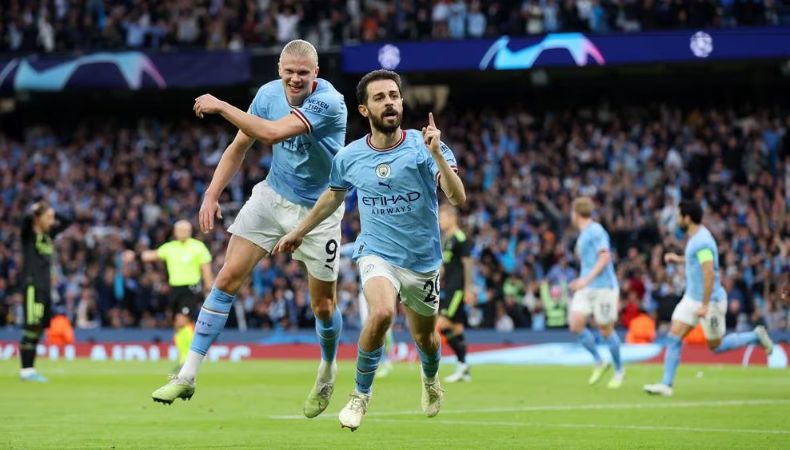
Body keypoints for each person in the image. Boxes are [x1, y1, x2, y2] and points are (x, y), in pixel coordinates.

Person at [151, 39, 348, 420]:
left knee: (323, 305)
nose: (295, 79)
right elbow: (240, 145)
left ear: (316, 74)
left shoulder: (329, 102)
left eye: (303, 73)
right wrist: (211, 194)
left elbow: (272, 134)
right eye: (288, 71)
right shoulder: (268, 94)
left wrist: (223, 106)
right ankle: (187, 375)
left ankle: (327, 368)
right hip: (272, 196)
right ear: (279, 70)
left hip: (320, 209)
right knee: (226, 278)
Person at [273, 69, 466, 431]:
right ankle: (360, 395)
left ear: (402, 102)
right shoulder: (349, 157)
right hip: (377, 253)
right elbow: (332, 196)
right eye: (379, 98)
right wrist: (299, 231)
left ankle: (430, 379)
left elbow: (457, 197)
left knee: (426, 338)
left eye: (393, 95)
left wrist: (437, 155)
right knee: (380, 313)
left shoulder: (425, 146)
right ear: (364, 110)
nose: (389, 102)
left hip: (422, 262)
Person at [644, 200, 774, 397]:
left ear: (687, 218)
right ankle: (666, 384)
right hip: (691, 298)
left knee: (716, 346)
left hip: (710, 301)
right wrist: (678, 259)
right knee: (674, 336)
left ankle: (755, 336)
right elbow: (697, 260)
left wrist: (705, 305)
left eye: (679, 216)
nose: (677, 220)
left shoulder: (702, 241)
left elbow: (709, 273)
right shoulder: (695, 238)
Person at [129, 220, 213, 370]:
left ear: (190, 231)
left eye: (185, 230)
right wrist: (134, 255)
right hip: (174, 290)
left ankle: (190, 358)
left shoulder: (197, 247)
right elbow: (151, 255)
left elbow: (206, 269)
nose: (182, 232)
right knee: (177, 325)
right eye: (179, 230)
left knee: (182, 321)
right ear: (175, 232)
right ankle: (185, 357)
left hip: (190, 289)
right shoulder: (170, 247)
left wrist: (209, 288)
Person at [568, 196, 624, 388]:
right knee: (575, 323)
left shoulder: (596, 230)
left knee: (605, 329)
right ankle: (599, 360)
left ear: (576, 213)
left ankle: (619, 370)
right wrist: (581, 280)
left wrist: (586, 279)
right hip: (587, 287)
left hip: (604, 287)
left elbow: (605, 257)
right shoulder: (583, 234)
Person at [18, 201, 73, 382]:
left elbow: (68, 220)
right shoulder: (28, 234)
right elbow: (24, 219)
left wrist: (52, 211)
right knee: (31, 326)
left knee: (39, 328)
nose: (52, 221)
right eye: (48, 217)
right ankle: (26, 370)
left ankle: (30, 369)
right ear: (38, 218)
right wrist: (35, 209)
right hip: (32, 286)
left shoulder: (49, 235)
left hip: (45, 288)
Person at [438, 204, 474, 383]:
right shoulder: (446, 239)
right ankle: (463, 369)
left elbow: (468, 264)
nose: (440, 221)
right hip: (449, 288)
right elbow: (444, 266)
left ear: (452, 218)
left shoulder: (460, 238)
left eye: (442, 217)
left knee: (441, 324)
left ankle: (462, 364)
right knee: (457, 328)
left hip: (457, 289)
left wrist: (468, 288)